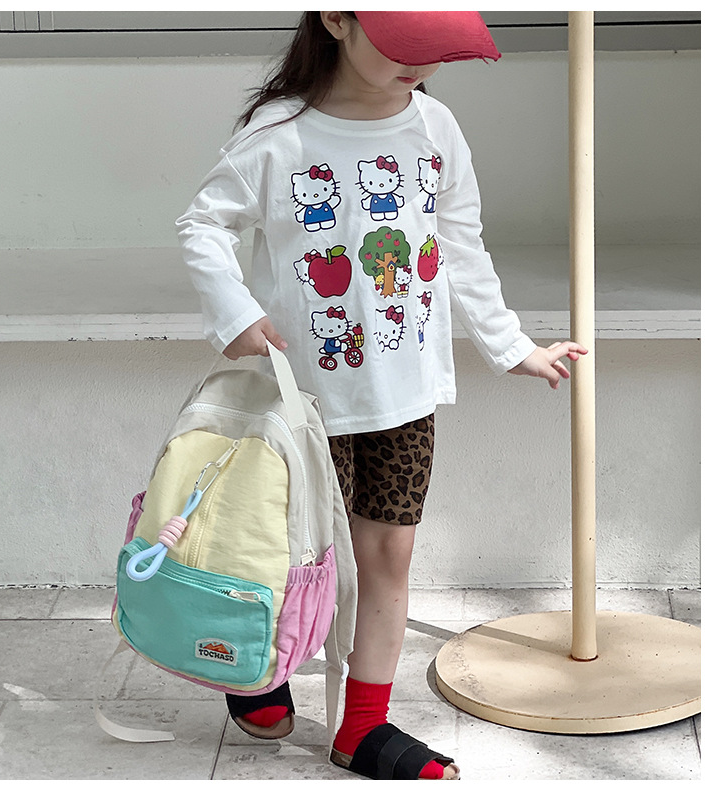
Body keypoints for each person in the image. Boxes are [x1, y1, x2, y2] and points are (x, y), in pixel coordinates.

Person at [175, 11, 587, 781]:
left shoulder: (435, 128)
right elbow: (203, 224)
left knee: (390, 555)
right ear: (337, 18)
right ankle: (257, 669)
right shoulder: (279, 134)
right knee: (287, 554)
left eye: (436, 52)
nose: (421, 67)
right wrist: (236, 315)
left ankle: (362, 727)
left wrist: (512, 346)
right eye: (404, 46)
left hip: (404, 394)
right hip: (302, 404)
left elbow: (461, 244)